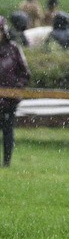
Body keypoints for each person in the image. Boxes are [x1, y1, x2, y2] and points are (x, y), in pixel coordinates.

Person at [0, 17, 31, 167]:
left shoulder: (14, 49)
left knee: (7, 131)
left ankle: (6, 162)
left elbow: (25, 73)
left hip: (9, 100)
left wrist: (15, 89)